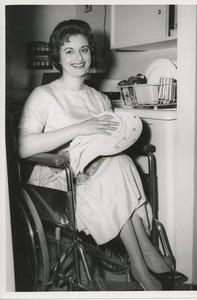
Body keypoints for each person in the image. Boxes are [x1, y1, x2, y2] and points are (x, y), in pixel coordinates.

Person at [18, 19, 187, 290]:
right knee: (114, 171)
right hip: (58, 180)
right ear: (57, 57)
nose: (78, 57)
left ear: (91, 53)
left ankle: (141, 259)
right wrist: (79, 129)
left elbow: (106, 144)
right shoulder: (43, 95)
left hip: (100, 174)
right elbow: (24, 147)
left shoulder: (100, 99)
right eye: (69, 50)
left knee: (118, 162)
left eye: (84, 49)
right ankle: (143, 259)